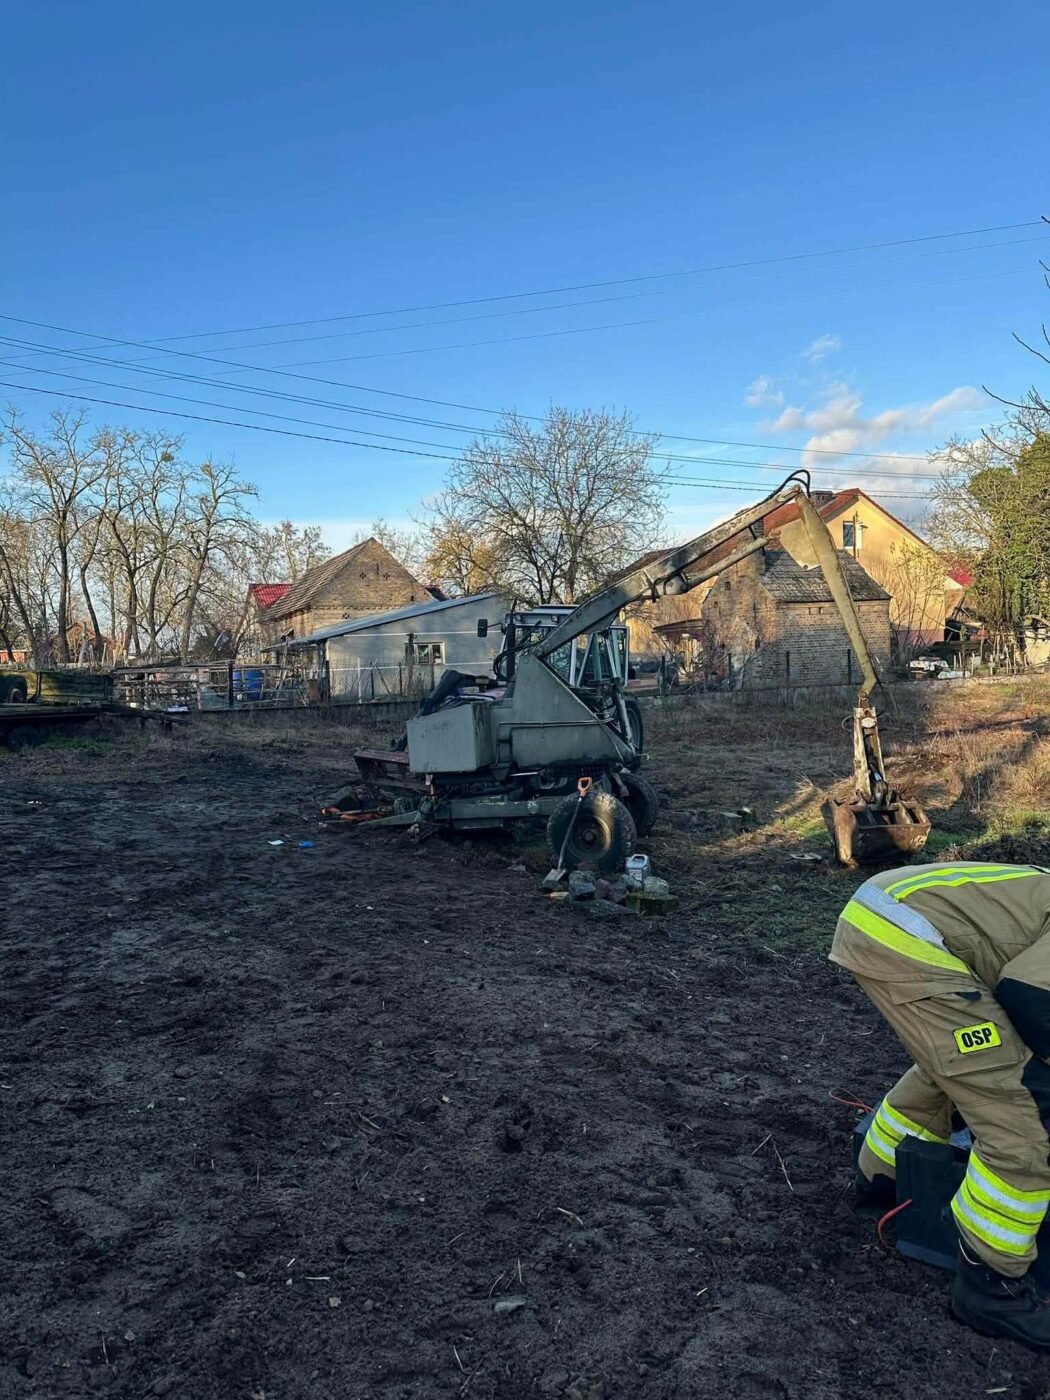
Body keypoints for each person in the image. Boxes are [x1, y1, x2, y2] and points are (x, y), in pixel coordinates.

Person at [831, 860, 1050, 1346]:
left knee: (963, 1069)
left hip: (888, 917)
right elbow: (1032, 997)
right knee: (1022, 1117)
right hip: (908, 939)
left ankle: (881, 1174)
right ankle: (992, 1288)